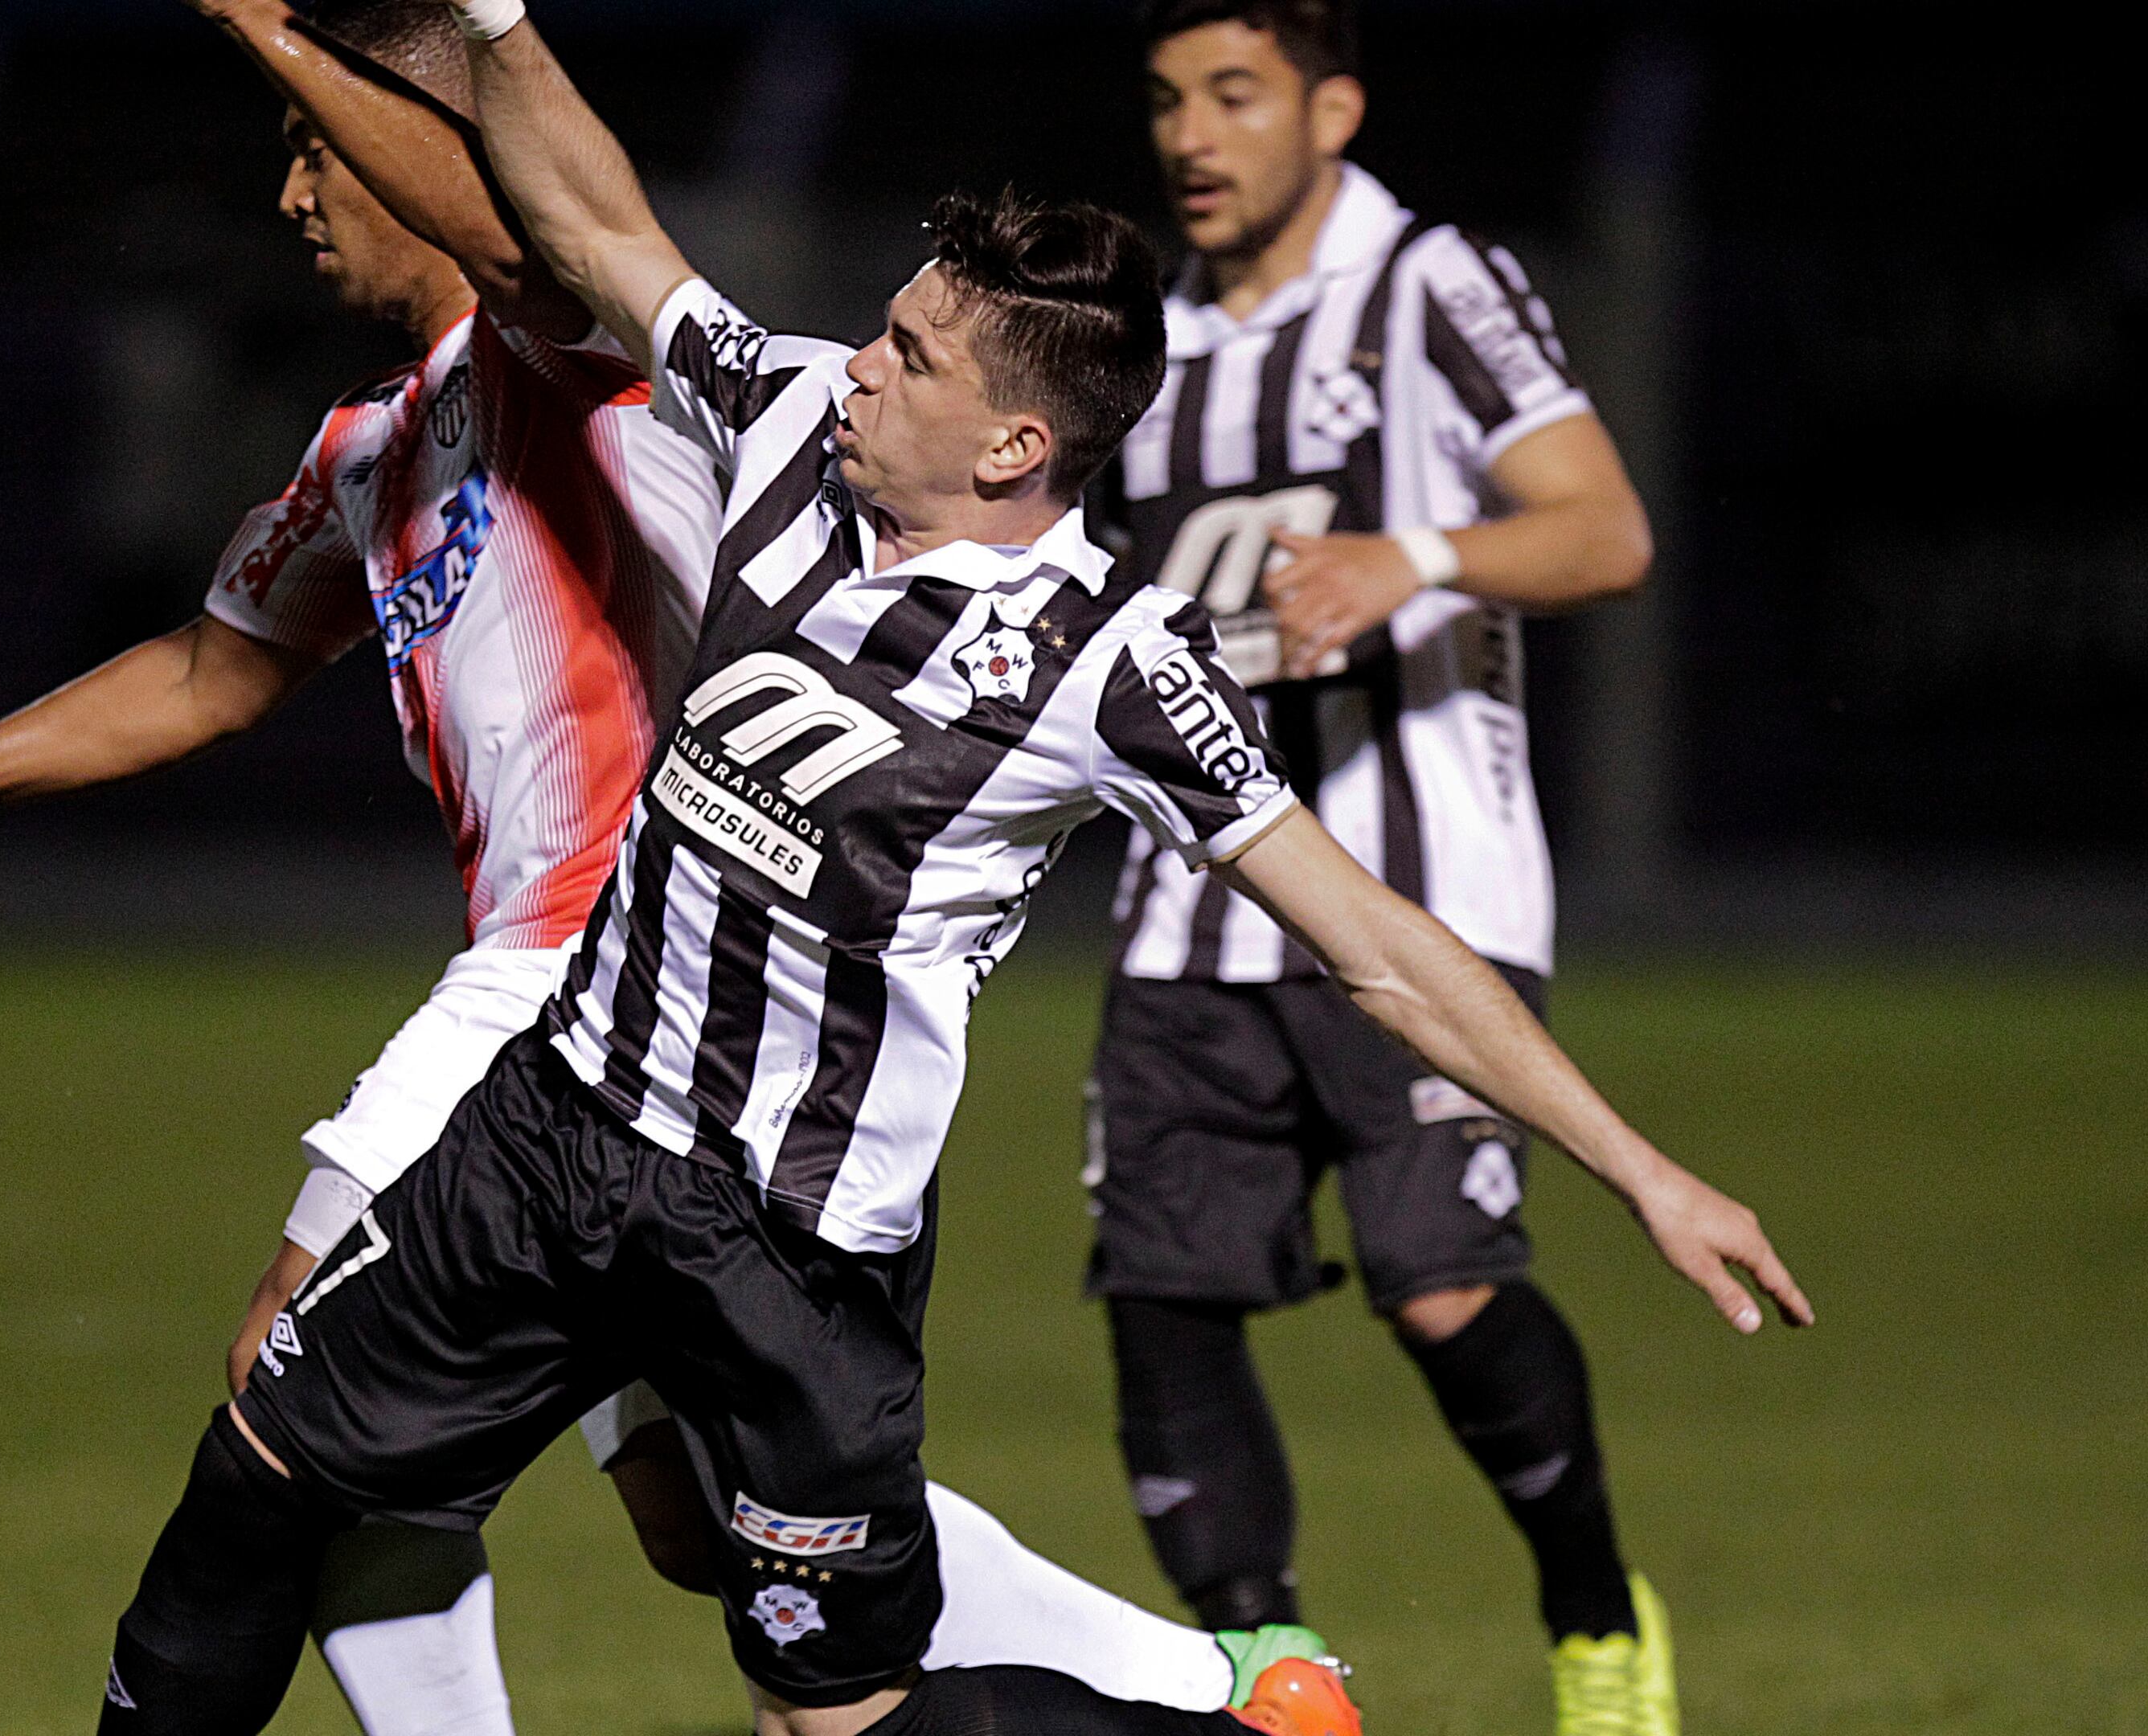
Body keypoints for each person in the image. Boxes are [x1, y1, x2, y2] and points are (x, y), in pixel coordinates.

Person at [95, 4, 1810, 1735]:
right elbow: (599, 226)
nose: (858, 363)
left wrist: (1642, 1172)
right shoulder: (778, 427)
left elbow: (1374, 946)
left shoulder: (1110, 663)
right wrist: (498, 25)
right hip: (553, 1139)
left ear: (1012, 449)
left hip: (788, 1252)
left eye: (906, 357)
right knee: (255, 1491)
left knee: (837, 1720)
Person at [0, 3, 1285, 1730]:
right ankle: (1209, 1688)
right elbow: (208, 670)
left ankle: (1188, 1682)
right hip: (584, 1026)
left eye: (320, 152)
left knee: (290, 1385)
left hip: (620, 963)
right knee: (702, 1526)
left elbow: (515, 216)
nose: (298, 196)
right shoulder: (369, 449)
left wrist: (280, 33)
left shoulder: (573, 369)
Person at [1084, 5, 1705, 1730]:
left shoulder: (1429, 281)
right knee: (1165, 1302)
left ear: (1333, 110)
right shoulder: (1145, 331)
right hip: (1185, 904)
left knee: (1441, 1288)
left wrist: (1408, 558)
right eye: (1165, 102)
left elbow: (1607, 529)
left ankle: (1594, 1617)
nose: (1191, 136)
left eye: (1234, 97)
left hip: (1425, 895)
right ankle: (1280, 1678)